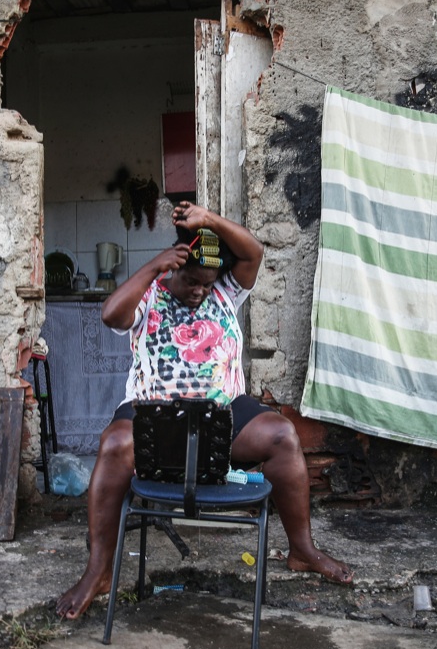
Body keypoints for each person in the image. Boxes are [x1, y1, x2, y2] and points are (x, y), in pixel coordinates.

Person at [54, 201, 353, 620]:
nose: (199, 290)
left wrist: (208, 220)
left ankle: (302, 550)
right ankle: (99, 571)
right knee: (115, 442)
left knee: (283, 435)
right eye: (192, 280)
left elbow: (253, 254)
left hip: (223, 413)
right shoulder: (150, 295)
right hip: (153, 411)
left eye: (206, 282)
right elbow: (109, 315)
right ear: (173, 268)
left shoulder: (225, 290)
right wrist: (153, 266)